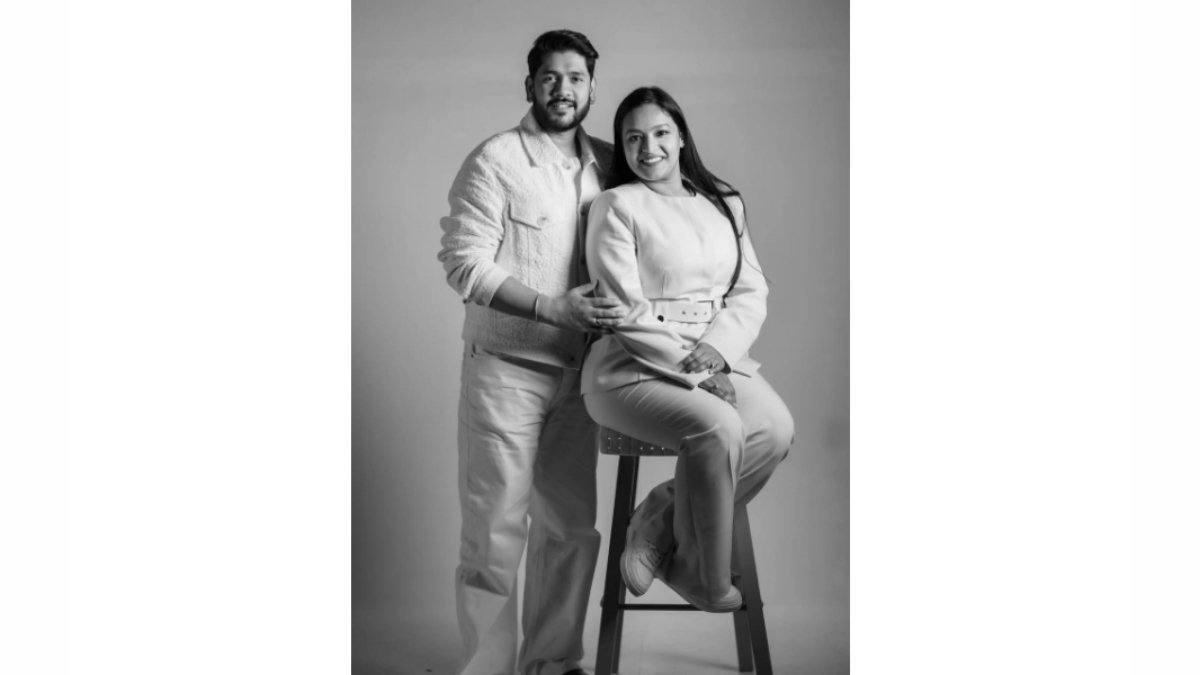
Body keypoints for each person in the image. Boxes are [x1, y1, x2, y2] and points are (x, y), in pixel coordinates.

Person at [437, 29, 624, 675]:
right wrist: (550, 308)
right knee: (493, 530)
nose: (563, 89)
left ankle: (554, 664)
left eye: (575, 78)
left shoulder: (612, 164)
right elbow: (463, 264)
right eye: (550, 77)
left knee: (571, 529)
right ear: (530, 85)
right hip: (505, 372)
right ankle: (487, 669)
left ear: (592, 87)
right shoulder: (495, 159)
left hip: (583, 378)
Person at [582, 86, 794, 613]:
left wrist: (718, 353)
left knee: (774, 429)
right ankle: (705, 578)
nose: (647, 148)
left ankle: (657, 520)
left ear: (680, 137)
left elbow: (751, 291)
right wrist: (698, 373)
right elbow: (623, 310)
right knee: (719, 428)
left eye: (659, 133)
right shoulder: (616, 204)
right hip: (629, 368)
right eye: (633, 138)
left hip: (716, 356)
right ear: (622, 146)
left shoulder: (725, 203)